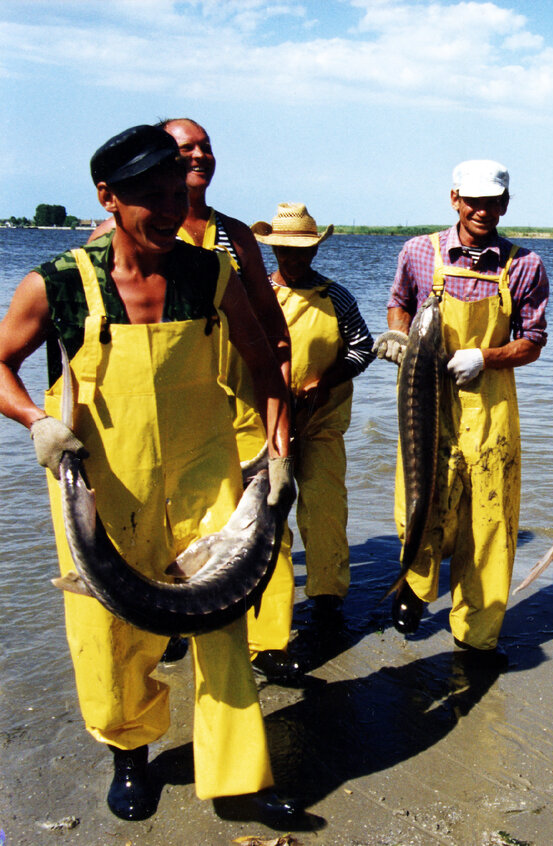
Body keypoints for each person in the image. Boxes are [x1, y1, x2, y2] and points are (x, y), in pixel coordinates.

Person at [0, 125, 315, 829]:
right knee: (106, 631)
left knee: (222, 623)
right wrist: (35, 422)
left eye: (177, 193)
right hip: (106, 482)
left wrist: (279, 453)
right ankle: (130, 754)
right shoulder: (58, 282)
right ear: (108, 198)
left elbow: (266, 367)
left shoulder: (211, 273)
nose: (171, 209)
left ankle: (236, 775)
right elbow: (0, 363)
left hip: (206, 473)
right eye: (150, 197)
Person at [89, 118, 296, 677]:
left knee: (256, 534)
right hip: (159, 415)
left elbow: (275, 338)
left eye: (206, 146)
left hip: (240, 411)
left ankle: (269, 644)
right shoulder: (103, 246)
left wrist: (280, 434)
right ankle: (169, 633)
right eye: (185, 148)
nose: (198, 155)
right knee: (149, 536)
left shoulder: (233, 238)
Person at [374, 160, 549, 666]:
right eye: (472, 200)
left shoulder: (524, 264)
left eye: (492, 202)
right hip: (426, 396)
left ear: (505, 205)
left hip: (491, 402)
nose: (481, 210)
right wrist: (399, 339)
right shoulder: (419, 252)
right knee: (420, 498)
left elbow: (533, 342)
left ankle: (476, 631)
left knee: (489, 521)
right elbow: (399, 304)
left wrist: (486, 357)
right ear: (454, 199)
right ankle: (415, 583)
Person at [250, 203, 374, 624]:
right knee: (268, 511)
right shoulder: (255, 294)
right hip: (265, 427)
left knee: (325, 510)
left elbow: (363, 348)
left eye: (302, 250)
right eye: (286, 250)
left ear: (316, 250)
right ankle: (269, 600)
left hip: (322, 424)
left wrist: (326, 382)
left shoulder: (336, 296)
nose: (294, 257)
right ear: (273, 251)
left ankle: (327, 597)